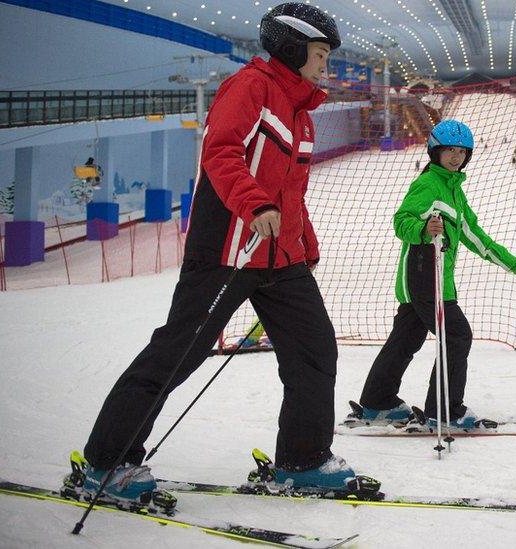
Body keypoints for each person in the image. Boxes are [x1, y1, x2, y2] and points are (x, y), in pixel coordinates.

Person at [75, 3, 364, 508]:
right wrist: (254, 206)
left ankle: (303, 461)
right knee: (177, 356)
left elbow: (291, 192)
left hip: (279, 257)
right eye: (320, 55)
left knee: (315, 351)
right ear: (293, 49)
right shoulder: (250, 88)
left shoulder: (300, 111)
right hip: (229, 251)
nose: (326, 66)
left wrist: (305, 244)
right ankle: (106, 462)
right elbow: (222, 152)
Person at [355, 120, 516, 429]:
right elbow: (401, 221)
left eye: (462, 151)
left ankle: (376, 402)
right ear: (435, 151)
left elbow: (474, 235)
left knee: (406, 339)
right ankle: (444, 411)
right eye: (449, 150)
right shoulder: (428, 184)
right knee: (457, 335)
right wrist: (422, 228)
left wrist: (508, 261)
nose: (456, 157)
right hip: (423, 274)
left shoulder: (454, 192)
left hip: (432, 277)